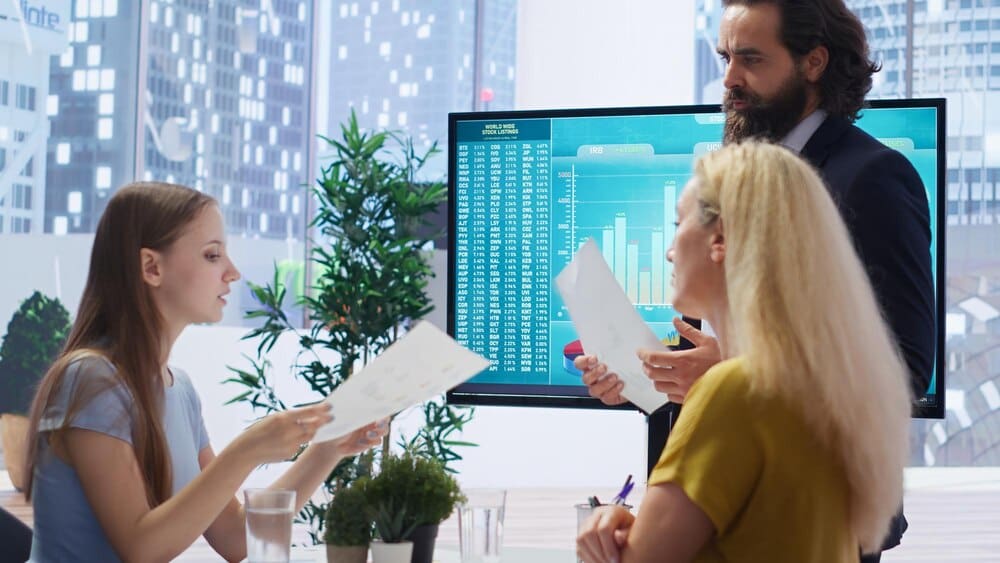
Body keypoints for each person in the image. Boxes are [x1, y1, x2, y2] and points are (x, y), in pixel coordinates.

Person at [579, 1, 933, 558]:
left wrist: (736, 372)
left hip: (806, 507)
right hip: (712, 493)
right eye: (725, 58)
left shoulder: (873, 177)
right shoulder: (733, 174)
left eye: (750, 58)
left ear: (813, 62)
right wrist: (641, 377)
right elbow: (710, 346)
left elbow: (904, 369)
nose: (729, 79)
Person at [577, 141, 912, 563]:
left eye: (679, 224)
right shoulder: (818, 388)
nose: (669, 251)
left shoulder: (734, 389)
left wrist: (604, 535)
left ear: (719, 240)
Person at [23, 182, 388, 562]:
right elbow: (141, 548)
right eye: (212, 255)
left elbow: (234, 537)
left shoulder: (179, 390)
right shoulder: (91, 379)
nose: (233, 273)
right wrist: (247, 450)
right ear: (151, 267)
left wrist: (326, 450)